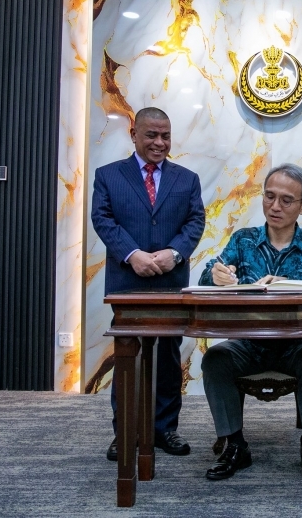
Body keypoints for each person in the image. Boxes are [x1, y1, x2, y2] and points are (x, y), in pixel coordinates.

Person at [199, 163, 302, 481]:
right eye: (269, 196)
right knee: (216, 358)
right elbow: (209, 274)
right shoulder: (243, 241)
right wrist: (215, 275)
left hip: (297, 343)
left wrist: (291, 286)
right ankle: (235, 446)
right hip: (248, 342)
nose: (275, 206)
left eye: (286, 200)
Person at [91, 106, 205, 462]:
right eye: (152, 135)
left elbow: (195, 221)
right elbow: (102, 218)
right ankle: (126, 431)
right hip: (127, 282)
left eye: (165, 136)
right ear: (134, 135)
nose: (159, 142)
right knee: (129, 355)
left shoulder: (187, 179)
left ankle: (164, 428)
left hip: (171, 282)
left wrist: (175, 253)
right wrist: (132, 254)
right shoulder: (108, 175)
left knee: (168, 357)